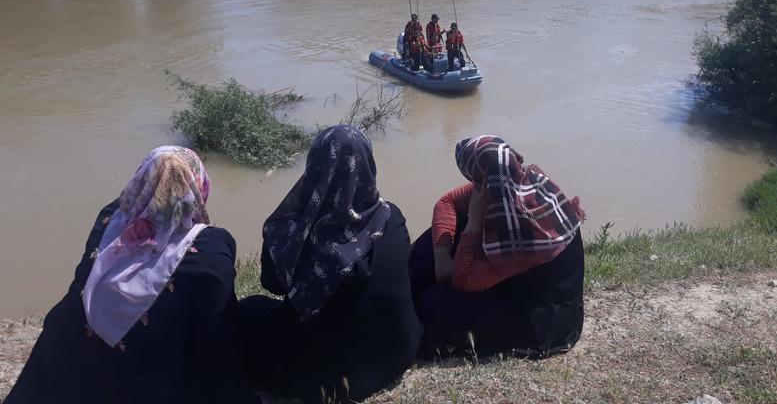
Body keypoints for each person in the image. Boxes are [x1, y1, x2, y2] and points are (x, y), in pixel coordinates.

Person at [5, 146, 260, 404]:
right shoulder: (210, 248)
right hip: (148, 380)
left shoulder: (109, 218)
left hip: (64, 357)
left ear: (140, 181)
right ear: (197, 188)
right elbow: (217, 332)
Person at [239, 125, 422, 404]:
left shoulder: (295, 233)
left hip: (330, 379)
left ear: (314, 168)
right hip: (396, 354)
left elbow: (272, 284)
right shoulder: (390, 217)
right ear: (368, 165)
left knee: (249, 310)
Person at [410, 135, 586, 359]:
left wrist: (473, 222)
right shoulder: (515, 180)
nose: (474, 186)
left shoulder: (519, 235)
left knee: (434, 304)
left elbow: (462, 281)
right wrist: (442, 254)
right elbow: (446, 202)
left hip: (543, 319)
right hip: (519, 286)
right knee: (432, 242)